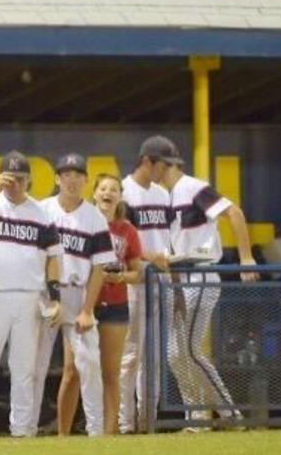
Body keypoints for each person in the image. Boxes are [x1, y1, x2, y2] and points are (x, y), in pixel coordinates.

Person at [0, 152, 63, 439]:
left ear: (29, 180)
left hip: (29, 297)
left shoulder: (41, 212)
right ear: (0, 178)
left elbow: (53, 257)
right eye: (10, 178)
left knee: (24, 371)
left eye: (20, 179)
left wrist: (55, 297)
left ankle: (21, 430)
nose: (15, 184)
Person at [163, 141, 259, 427]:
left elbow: (234, 212)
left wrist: (246, 257)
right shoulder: (166, 196)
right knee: (176, 355)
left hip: (202, 272)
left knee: (188, 351)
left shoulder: (193, 187)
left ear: (165, 163)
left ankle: (229, 414)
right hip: (182, 277)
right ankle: (197, 417)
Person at [38, 153, 115, 436]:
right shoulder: (42, 209)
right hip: (45, 294)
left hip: (77, 292)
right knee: (35, 366)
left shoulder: (94, 217)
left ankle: (95, 433)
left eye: (77, 175)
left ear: (85, 180)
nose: (71, 180)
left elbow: (99, 267)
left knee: (90, 363)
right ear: (57, 178)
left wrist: (87, 310)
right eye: (66, 174)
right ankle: (25, 430)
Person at [117, 135, 178, 434]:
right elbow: (120, 242)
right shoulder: (124, 192)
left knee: (152, 357)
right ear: (146, 161)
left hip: (160, 281)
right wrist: (150, 256)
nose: (166, 170)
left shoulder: (163, 194)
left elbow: (168, 240)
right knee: (129, 356)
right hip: (133, 280)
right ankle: (124, 423)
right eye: (163, 164)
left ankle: (148, 421)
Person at [81, 173, 144, 435]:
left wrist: (120, 277)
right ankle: (68, 433)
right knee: (77, 372)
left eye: (114, 189)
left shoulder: (127, 230)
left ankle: (110, 434)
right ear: (94, 193)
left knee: (111, 373)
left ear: (120, 196)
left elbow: (137, 272)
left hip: (116, 305)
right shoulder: (82, 223)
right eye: (103, 188)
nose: (108, 193)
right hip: (84, 304)